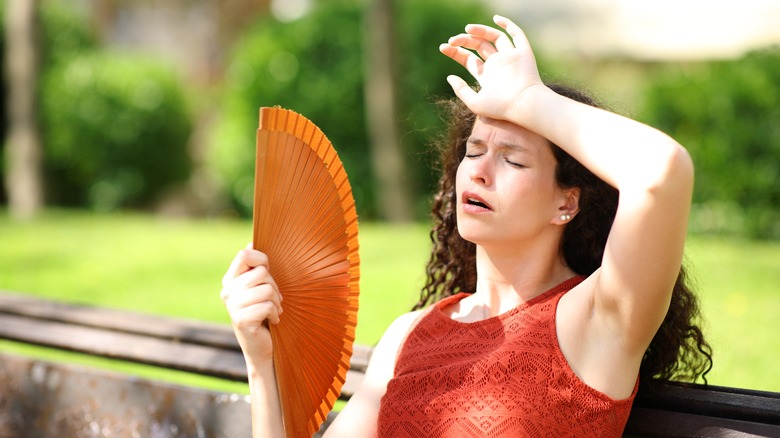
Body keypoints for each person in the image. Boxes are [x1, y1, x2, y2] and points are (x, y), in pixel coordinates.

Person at [220, 14, 712, 437]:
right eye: (473, 151)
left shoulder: (593, 323)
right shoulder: (409, 335)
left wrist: (526, 100)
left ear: (568, 202)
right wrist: (262, 363)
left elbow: (661, 173)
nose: (477, 170)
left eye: (512, 161)